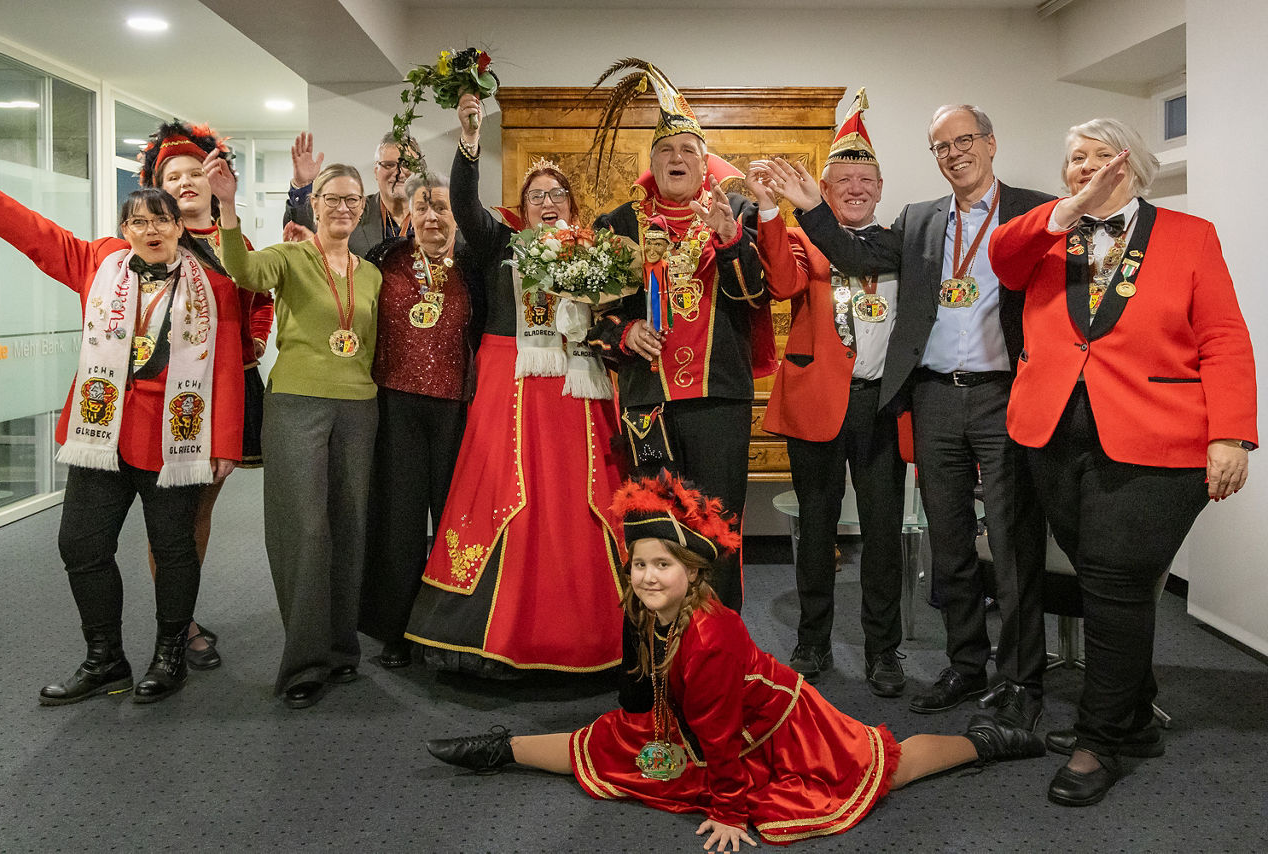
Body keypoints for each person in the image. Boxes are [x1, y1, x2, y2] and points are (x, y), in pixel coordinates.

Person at [426, 472, 1045, 849]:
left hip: (777, 729)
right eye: (639, 564)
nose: (646, 576)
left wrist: (727, 811)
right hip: (687, 724)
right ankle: (499, 749)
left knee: (884, 765)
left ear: (690, 572)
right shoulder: (644, 608)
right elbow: (649, 694)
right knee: (607, 744)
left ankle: (985, 742)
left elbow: (722, 735)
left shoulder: (711, 635)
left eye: (661, 566)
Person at [988, 118, 1257, 806]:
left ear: (1131, 165)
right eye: (1073, 157)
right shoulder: (1050, 232)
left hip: (1158, 440)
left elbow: (1223, 335)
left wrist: (1231, 434)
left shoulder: (1188, 236)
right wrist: (1067, 211)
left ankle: (1099, 739)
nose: (1082, 166)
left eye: (1097, 156)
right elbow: (1002, 259)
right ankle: (1134, 720)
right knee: (1113, 583)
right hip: (1053, 436)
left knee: (1113, 582)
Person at [761, 104, 1052, 729]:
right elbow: (844, 251)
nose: (954, 153)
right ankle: (964, 664)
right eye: (941, 146)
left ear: (991, 143)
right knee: (948, 541)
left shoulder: (1035, 209)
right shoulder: (920, 223)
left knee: (1008, 540)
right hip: (930, 398)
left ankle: (1020, 676)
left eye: (965, 140)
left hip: (991, 395)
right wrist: (805, 204)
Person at [0, 183, 244, 705]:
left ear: (179, 227)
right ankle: (105, 658)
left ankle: (169, 656)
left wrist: (226, 443)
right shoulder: (99, 263)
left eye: (161, 220)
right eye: (138, 222)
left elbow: (225, 370)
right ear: (124, 230)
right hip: (100, 433)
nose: (150, 230)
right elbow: (34, 233)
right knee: (80, 545)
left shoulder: (213, 287)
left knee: (173, 550)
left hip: (175, 438)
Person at [403, 93, 625, 677]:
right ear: (522, 209)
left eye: (557, 195)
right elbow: (465, 207)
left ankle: (590, 628)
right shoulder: (500, 244)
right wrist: (470, 142)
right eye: (536, 196)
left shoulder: (596, 252)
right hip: (513, 385)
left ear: (572, 206)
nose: (547, 203)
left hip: (579, 390)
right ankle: (496, 634)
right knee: (506, 492)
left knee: (583, 497)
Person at [585, 60, 774, 614]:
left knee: (719, 531)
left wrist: (732, 240)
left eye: (687, 150)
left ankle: (719, 652)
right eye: (665, 152)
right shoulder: (618, 225)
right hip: (650, 405)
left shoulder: (736, 211)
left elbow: (755, 296)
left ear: (704, 162)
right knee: (654, 535)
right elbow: (593, 322)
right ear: (652, 164)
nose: (676, 159)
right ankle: (655, 658)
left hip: (719, 399)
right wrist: (625, 333)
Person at [744, 90, 907, 692]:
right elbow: (784, 285)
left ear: (882, 185)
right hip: (816, 402)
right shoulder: (805, 238)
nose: (856, 188)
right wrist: (769, 213)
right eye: (844, 180)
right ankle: (812, 641)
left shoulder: (899, 245)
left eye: (866, 179)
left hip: (881, 407)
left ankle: (884, 652)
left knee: (883, 534)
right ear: (824, 186)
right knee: (815, 528)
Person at [207, 155, 382, 708]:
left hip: (359, 407)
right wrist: (228, 207)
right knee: (305, 530)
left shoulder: (372, 273)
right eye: (333, 197)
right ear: (314, 202)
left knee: (349, 529)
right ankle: (305, 661)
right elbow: (243, 272)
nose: (343, 207)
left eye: (353, 199)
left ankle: (340, 648)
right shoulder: (288, 257)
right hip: (298, 405)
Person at [139, 119, 276, 670]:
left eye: (196, 172)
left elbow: (260, 297)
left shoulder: (234, 239)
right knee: (167, 513)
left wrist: (256, 337)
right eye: (174, 176)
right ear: (159, 187)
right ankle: (178, 623)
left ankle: (181, 611)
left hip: (231, 386)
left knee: (200, 509)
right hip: (169, 392)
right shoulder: (151, 244)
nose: (186, 182)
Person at [357, 171, 486, 668]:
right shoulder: (383, 261)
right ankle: (396, 628)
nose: (433, 217)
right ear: (408, 213)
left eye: (443, 208)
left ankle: (449, 626)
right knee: (400, 521)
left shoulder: (473, 266)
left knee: (454, 519)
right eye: (423, 207)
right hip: (395, 407)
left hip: (457, 408)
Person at [283, 131, 415, 257]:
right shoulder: (353, 208)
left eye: (407, 164)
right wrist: (303, 186)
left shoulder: (432, 215)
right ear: (376, 171)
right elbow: (304, 232)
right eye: (389, 165)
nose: (399, 172)